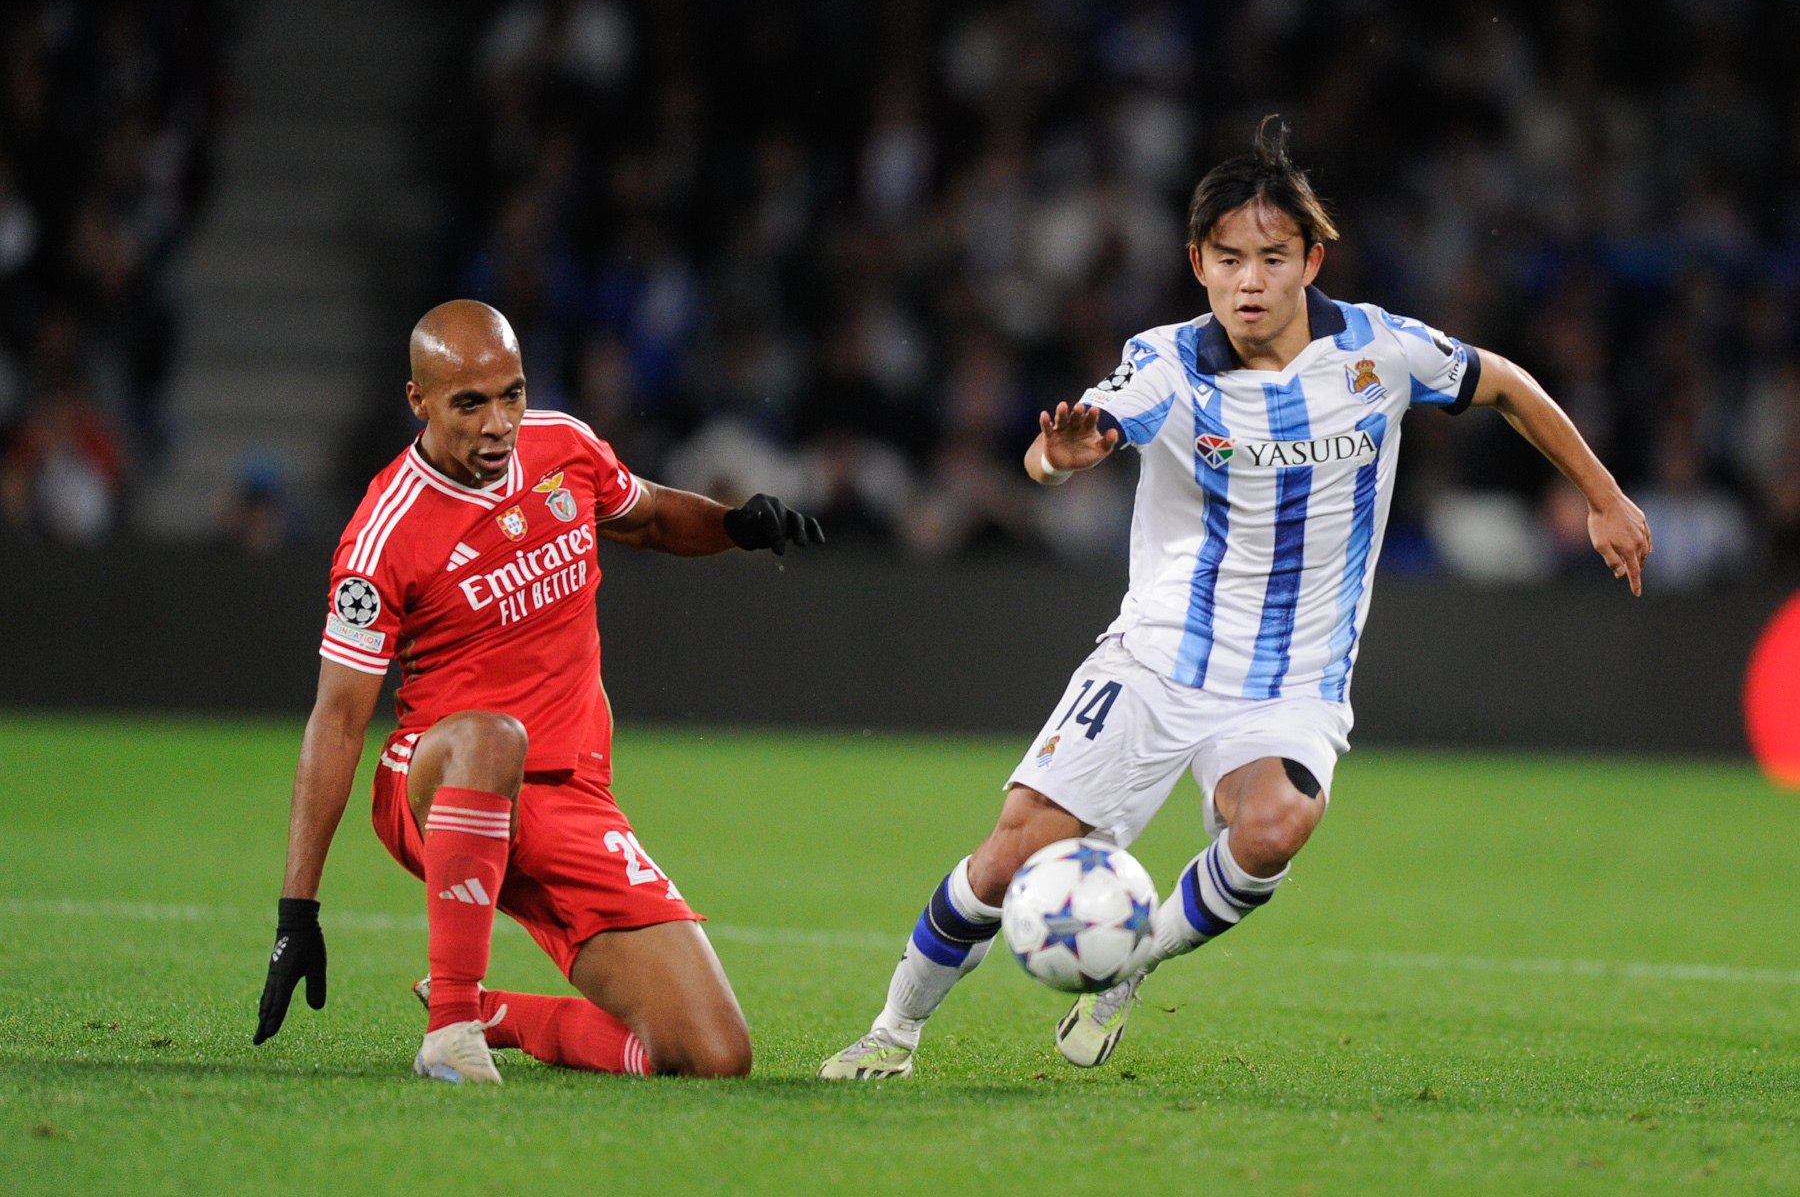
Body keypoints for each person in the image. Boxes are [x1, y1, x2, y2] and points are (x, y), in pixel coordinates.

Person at [819, 120, 1651, 1080]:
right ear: (1197, 264)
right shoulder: (1166, 362)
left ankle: (1132, 959)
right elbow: (1066, 444)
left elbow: (1503, 383)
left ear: (1310, 261)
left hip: (1293, 678)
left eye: (1272, 257)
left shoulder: (1381, 352)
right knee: (1009, 859)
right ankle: (895, 1030)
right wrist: (1060, 454)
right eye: (1228, 259)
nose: (1249, 280)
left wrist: (1604, 495)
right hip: (1160, 657)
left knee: (1275, 824)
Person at [254, 299, 822, 1084]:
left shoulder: (565, 448)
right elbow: (339, 720)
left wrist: (734, 526)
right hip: (439, 774)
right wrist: (297, 911)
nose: (498, 423)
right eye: (470, 403)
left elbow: (651, 518)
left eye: (512, 393)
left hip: (573, 795)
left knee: (712, 1054)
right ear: (418, 401)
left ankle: (501, 1016)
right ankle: (450, 1029)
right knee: (493, 738)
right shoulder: (383, 533)